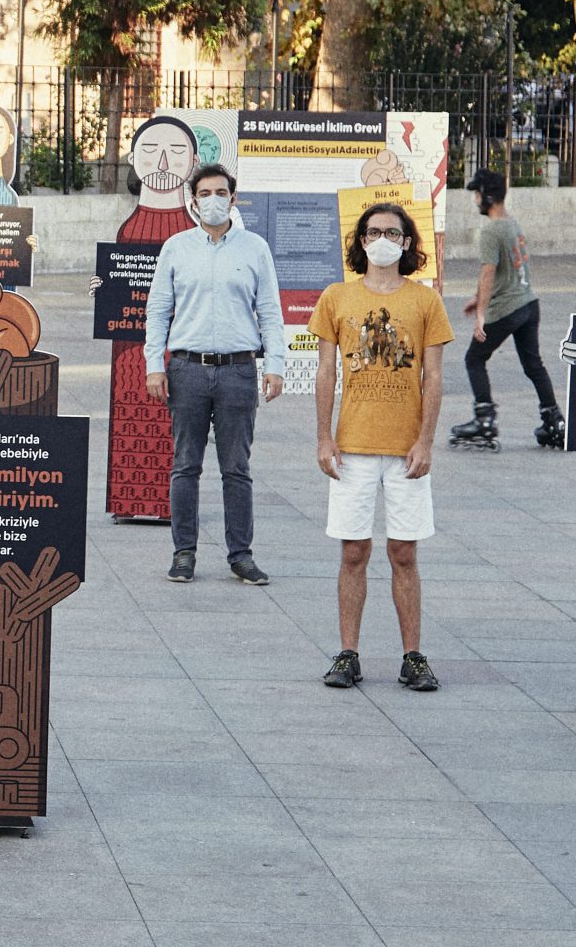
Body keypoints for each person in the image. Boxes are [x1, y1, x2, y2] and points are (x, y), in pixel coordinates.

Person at [313, 202, 452, 693]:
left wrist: (426, 441)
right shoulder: (336, 297)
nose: (383, 239)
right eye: (373, 232)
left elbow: (433, 376)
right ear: (361, 241)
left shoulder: (425, 302)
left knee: (404, 553)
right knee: (353, 552)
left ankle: (413, 656)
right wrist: (324, 436)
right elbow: (327, 372)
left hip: (405, 448)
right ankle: (348, 652)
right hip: (352, 446)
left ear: (409, 242)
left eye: (392, 232)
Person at [144, 161, 287, 585]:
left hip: (237, 370)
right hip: (187, 369)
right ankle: (183, 552)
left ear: (233, 197)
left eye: (220, 193)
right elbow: (157, 311)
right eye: (204, 194)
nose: (212, 200)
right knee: (185, 464)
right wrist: (155, 365)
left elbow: (270, 312)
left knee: (236, 468)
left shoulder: (254, 248)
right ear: (193, 201)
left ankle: (240, 554)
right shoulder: (176, 248)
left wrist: (275, 365)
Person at [99, 115, 202, 517]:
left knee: (171, 414)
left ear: (192, 161)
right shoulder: (129, 226)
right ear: (133, 159)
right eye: (150, 151)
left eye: (175, 153)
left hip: (178, 339)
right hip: (128, 339)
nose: (162, 163)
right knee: (129, 404)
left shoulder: (190, 227)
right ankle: (127, 498)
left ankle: (166, 501)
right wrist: (104, 286)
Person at [451, 169, 564, 450]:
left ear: (487, 196)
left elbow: (489, 271)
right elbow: (506, 268)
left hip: (507, 308)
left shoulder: (490, 229)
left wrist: (481, 315)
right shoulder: (512, 224)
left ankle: (485, 418)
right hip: (528, 303)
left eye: (477, 194)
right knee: (533, 364)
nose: (475, 200)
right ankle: (554, 419)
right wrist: (477, 297)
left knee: (474, 358)